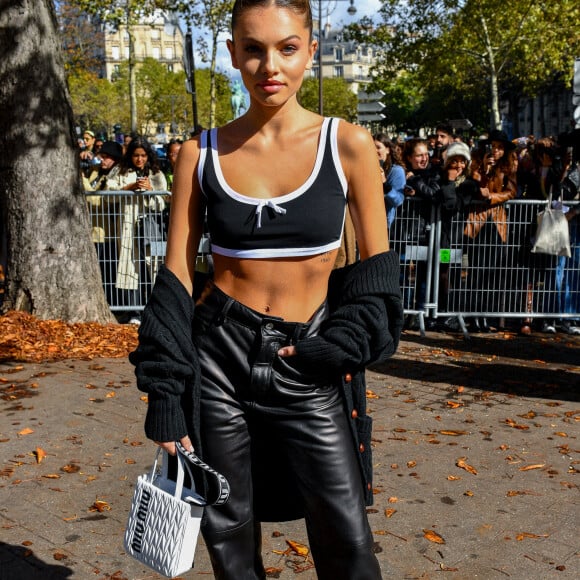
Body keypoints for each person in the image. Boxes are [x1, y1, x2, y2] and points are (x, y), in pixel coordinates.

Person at [129, 1, 403, 578]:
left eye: (286, 47)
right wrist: (165, 395)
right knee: (228, 540)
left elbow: (376, 274)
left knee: (348, 541)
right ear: (232, 54)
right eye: (252, 49)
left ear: (311, 50)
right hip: (218, 361)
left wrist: (337, 346)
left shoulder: (348, 145)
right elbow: (176, 275)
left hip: (307, 360)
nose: (268, 65)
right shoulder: (198, 153)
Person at [107, 136, 168, 324]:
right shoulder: (120, 171)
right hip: (127, 226)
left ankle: (152, 310)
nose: (139, 159)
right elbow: (107, 195)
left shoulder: (156, 174)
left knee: (151, 267)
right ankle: (134, 311)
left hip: (148, 228)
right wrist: (129, 187)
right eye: (136, 155)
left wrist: (150, 191)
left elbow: (161, 204)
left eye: (143, 155)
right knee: (129, 268)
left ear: (148, 156)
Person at [463, 129, 517, 332]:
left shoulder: (509, 166)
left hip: (497, 223)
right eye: (493, 146)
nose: (496, 151)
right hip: (478, 222)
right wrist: (485, 169)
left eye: (500, 147)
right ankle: (473, 315)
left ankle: (486, 315)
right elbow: (476, 184)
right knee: (476, 269)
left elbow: (511, 192)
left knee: (492, 271)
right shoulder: (477, 162)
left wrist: (492, 198)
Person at [83, 141, 123, 306]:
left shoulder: (116, 175)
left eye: (107, 158)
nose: (103, 161)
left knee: (109, 274)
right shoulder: (95, 172)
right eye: (102, 157)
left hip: (108, 234)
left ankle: (113, 305)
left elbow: (97, 200)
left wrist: (83, 181)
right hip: (93, 232)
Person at [373, 132, 405, 230]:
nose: (374, 150)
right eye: (371, 147)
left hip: (383, 224)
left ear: (387, 150)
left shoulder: (396, 171)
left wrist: (384, 183)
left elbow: (398, 200)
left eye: (378, 147)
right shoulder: (365, 168)